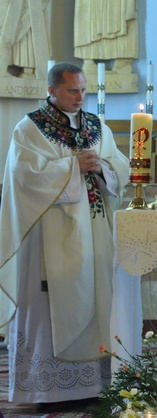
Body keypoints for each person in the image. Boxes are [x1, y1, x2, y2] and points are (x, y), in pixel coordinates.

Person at [0, 62, 130, 405]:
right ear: (52, 90)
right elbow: (23, 177)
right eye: (73, 91)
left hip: (96, 229)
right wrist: (72, 167)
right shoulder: (29, 129)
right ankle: (47, 388)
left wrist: (103, 167)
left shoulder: (95, 126)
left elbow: (121, 165)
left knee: (98, 297)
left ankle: (95, 385)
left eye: (84, 90)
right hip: (50, 237)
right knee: (50, 303)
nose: (80, 97)